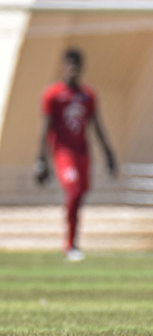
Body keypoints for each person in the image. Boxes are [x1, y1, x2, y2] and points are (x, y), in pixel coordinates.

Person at [35, 48, 117, 262]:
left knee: (80, 194)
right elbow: (45, 127)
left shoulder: (88, 95)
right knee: (74, 190)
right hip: (63, 153)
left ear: (81, 68)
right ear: (63, 66)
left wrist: (109, 153)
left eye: (76, 65)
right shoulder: (53, 94)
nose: (72, 69)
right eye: (68, 65)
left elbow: (97, 125)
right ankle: (69, 244)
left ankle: (72, 242)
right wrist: (41, 159)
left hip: (83, 152)